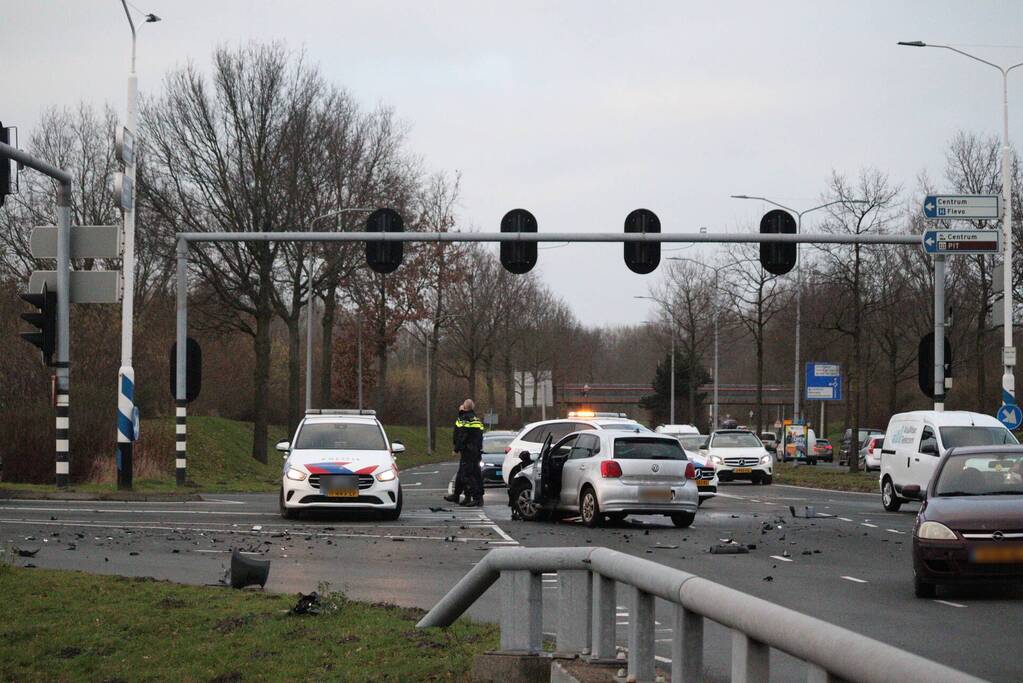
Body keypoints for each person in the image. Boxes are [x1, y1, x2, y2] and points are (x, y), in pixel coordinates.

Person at [444, 399, 485, 507]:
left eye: (463, 405)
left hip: (468, 451)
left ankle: (476, 498)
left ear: (465, 408)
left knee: (468, 475)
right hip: (475, 451)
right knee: (466, 474)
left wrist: (456, 449)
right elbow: (480, 436)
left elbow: (462, 435)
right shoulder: (476, 419)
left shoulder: (465, 418)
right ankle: (458, 495)